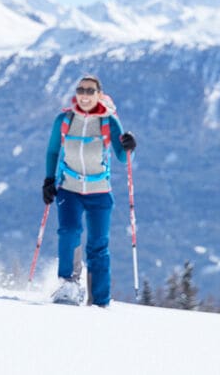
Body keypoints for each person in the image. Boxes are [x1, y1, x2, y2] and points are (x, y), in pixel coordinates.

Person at [43, 74, 135, 307]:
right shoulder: (64, 120)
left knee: (98, 245)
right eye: (80, 90)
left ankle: (99, 300)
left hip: (99, 192)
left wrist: (129, 146)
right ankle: (69, 284)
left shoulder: (109, 122)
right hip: (69, 189)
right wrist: (48, 180)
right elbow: (53, 151)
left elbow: (123, 157)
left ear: (99, 94)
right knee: (69, 232)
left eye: (90, 91)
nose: (84, 95)